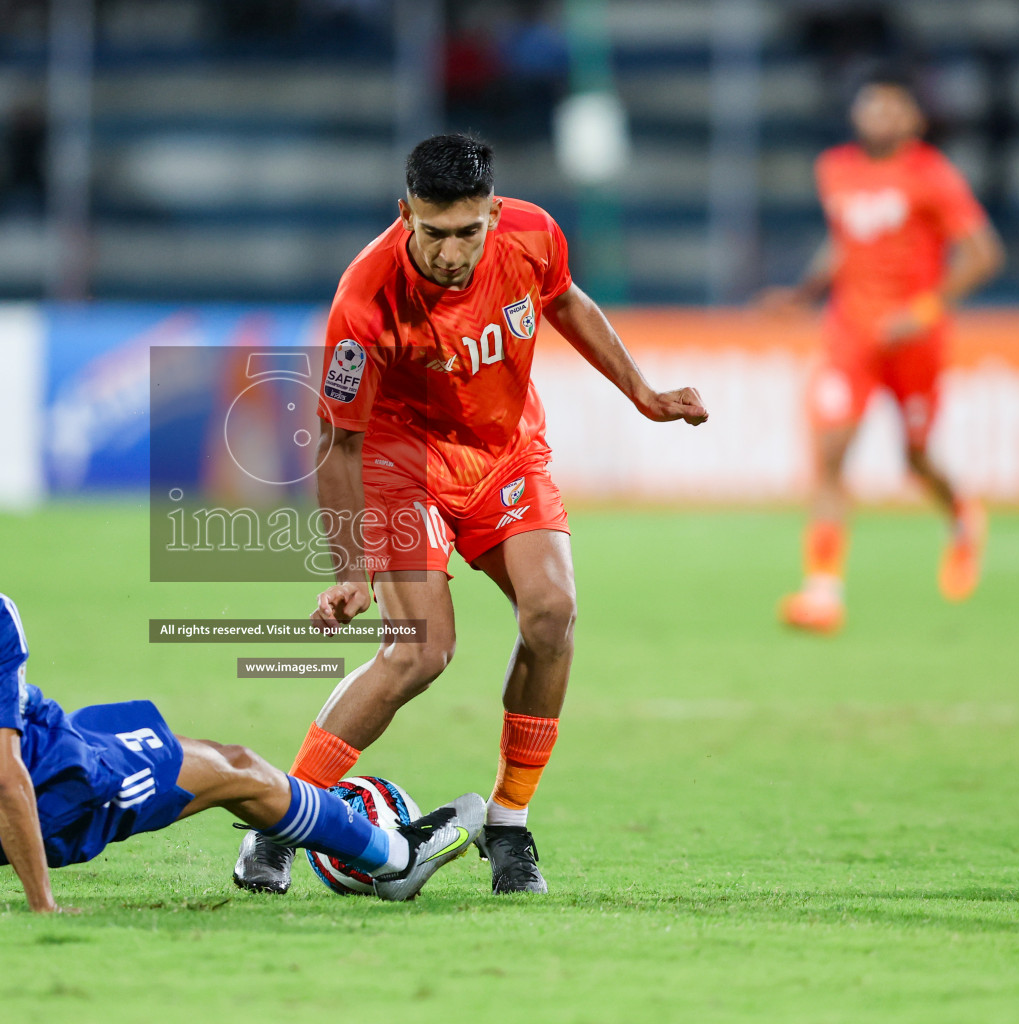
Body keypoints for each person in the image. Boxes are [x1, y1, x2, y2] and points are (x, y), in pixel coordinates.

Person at [231, 134, 708, 897]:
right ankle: (280, 821)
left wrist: (644, 394)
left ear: (491, 211)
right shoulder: (365, 298)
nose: (451, 252)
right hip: (402, 465)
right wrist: (348, 570)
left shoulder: (534, 234)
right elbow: (339, 444)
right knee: (419, 653)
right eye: (433, 233)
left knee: (552, 616)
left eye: (467, 232)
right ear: (405, 215)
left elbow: (567, 302)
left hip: (504, 457)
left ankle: (509, 825)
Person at [0, 457, 482, 913]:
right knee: (238, 766)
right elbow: (4, 777)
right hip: (59, 792)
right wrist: (42, 904)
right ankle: (392, 861)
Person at [763, 68, 1004, 633]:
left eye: (893, 109)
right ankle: (822, 592)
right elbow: (846, 243)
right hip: (850, 333)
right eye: (872, 107)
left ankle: (964, 516)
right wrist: (803, 295)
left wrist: (920, 311)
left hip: (914, 341)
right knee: (831, 453)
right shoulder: (836, 169)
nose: (880, 117)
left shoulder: (933, 176)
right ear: (856, 114)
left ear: (914, 120)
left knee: (915, 457)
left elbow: (984, 255)